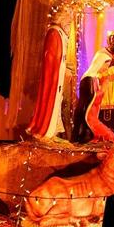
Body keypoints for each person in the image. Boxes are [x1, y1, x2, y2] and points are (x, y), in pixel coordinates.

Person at [72, 31, 114, 143]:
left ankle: (111, 136)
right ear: (108, 40)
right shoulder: (101, 54)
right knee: (96, 114)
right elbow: (95, 70)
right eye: (112, 39)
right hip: (103, 90)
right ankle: (94, 136)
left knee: (112, 119)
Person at [27, 9, 72, 140]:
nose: (69, 23)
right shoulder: (54, 33)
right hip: (54, 77)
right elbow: (52, 57)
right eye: (68, 19)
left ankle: (53, 132)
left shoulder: (60, 33)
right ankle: (47, 133)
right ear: (62, 19)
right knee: (51, 103)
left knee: (57, 104)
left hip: (59, 76)